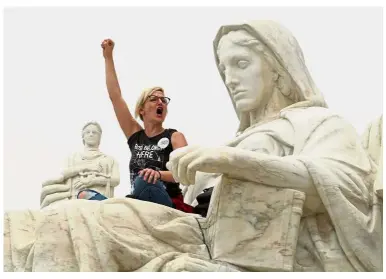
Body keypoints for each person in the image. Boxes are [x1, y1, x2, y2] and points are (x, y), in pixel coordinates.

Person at [4, 20, 382, 272]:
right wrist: (108, 57)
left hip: (184, 216)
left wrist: (231, 161)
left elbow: (346, 188)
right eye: (225, 69)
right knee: (50, 220)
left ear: (279, 69)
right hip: (192, 224)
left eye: (240, 63)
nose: (230, 79)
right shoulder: (144, 136)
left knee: (91, 220)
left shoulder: (319, 122)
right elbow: (116, 99)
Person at [78, 39, 192, 212]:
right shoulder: (135, 134)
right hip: (138, 198)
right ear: (142, 110)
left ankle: (122, 209)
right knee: (84, 195)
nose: (160, 102)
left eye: (163, 100)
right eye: (153, 99)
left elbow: (187, 174)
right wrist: (108, 57)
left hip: (164, 198)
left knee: (144, 179)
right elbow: (115, 97)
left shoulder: (174, 137)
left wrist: (158, 174)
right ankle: (122, 209)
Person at [40, 121, 120, 209]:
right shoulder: (72, 157)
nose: (91, 134)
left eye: (94, 132)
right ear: (83, 136)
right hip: (73, 198)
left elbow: (116, 180)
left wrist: (93, 181)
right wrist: (86, 167)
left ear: (100, 137)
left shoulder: (109, 159)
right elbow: (64, 173)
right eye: (88, 132)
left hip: (98, 198)